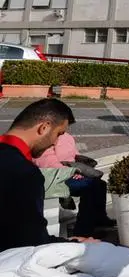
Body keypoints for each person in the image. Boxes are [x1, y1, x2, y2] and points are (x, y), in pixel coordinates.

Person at [0, 99, 96, 250]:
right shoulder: (24, 174)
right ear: (44, 127)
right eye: (59, 134)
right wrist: (76, 244)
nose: (55, 142)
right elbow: (29, 244)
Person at [33, 132, 115, 238]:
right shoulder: (45, 138)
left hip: (71, 171)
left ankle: (100, 218)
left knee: (100, 184)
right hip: (56, 176)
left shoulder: (67, 136)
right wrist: (72, 172)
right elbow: (47, 162)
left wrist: (81, 169)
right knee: (90, 186)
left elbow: (75, 155)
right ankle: (82, 230)